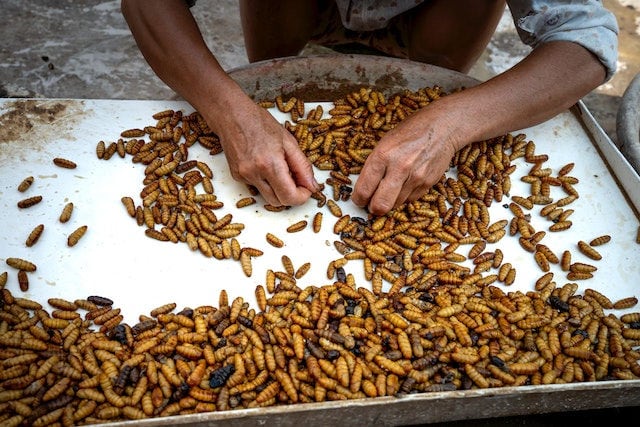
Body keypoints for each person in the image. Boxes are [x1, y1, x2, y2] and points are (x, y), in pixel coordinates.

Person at [121, 0, 618, 216]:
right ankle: (277, 73)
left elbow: (586, 43)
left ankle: (430, 79)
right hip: (299, 12)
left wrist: (448, 124)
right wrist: (233, 114)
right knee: (274, 77)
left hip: (436, 22)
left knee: (438, 77)